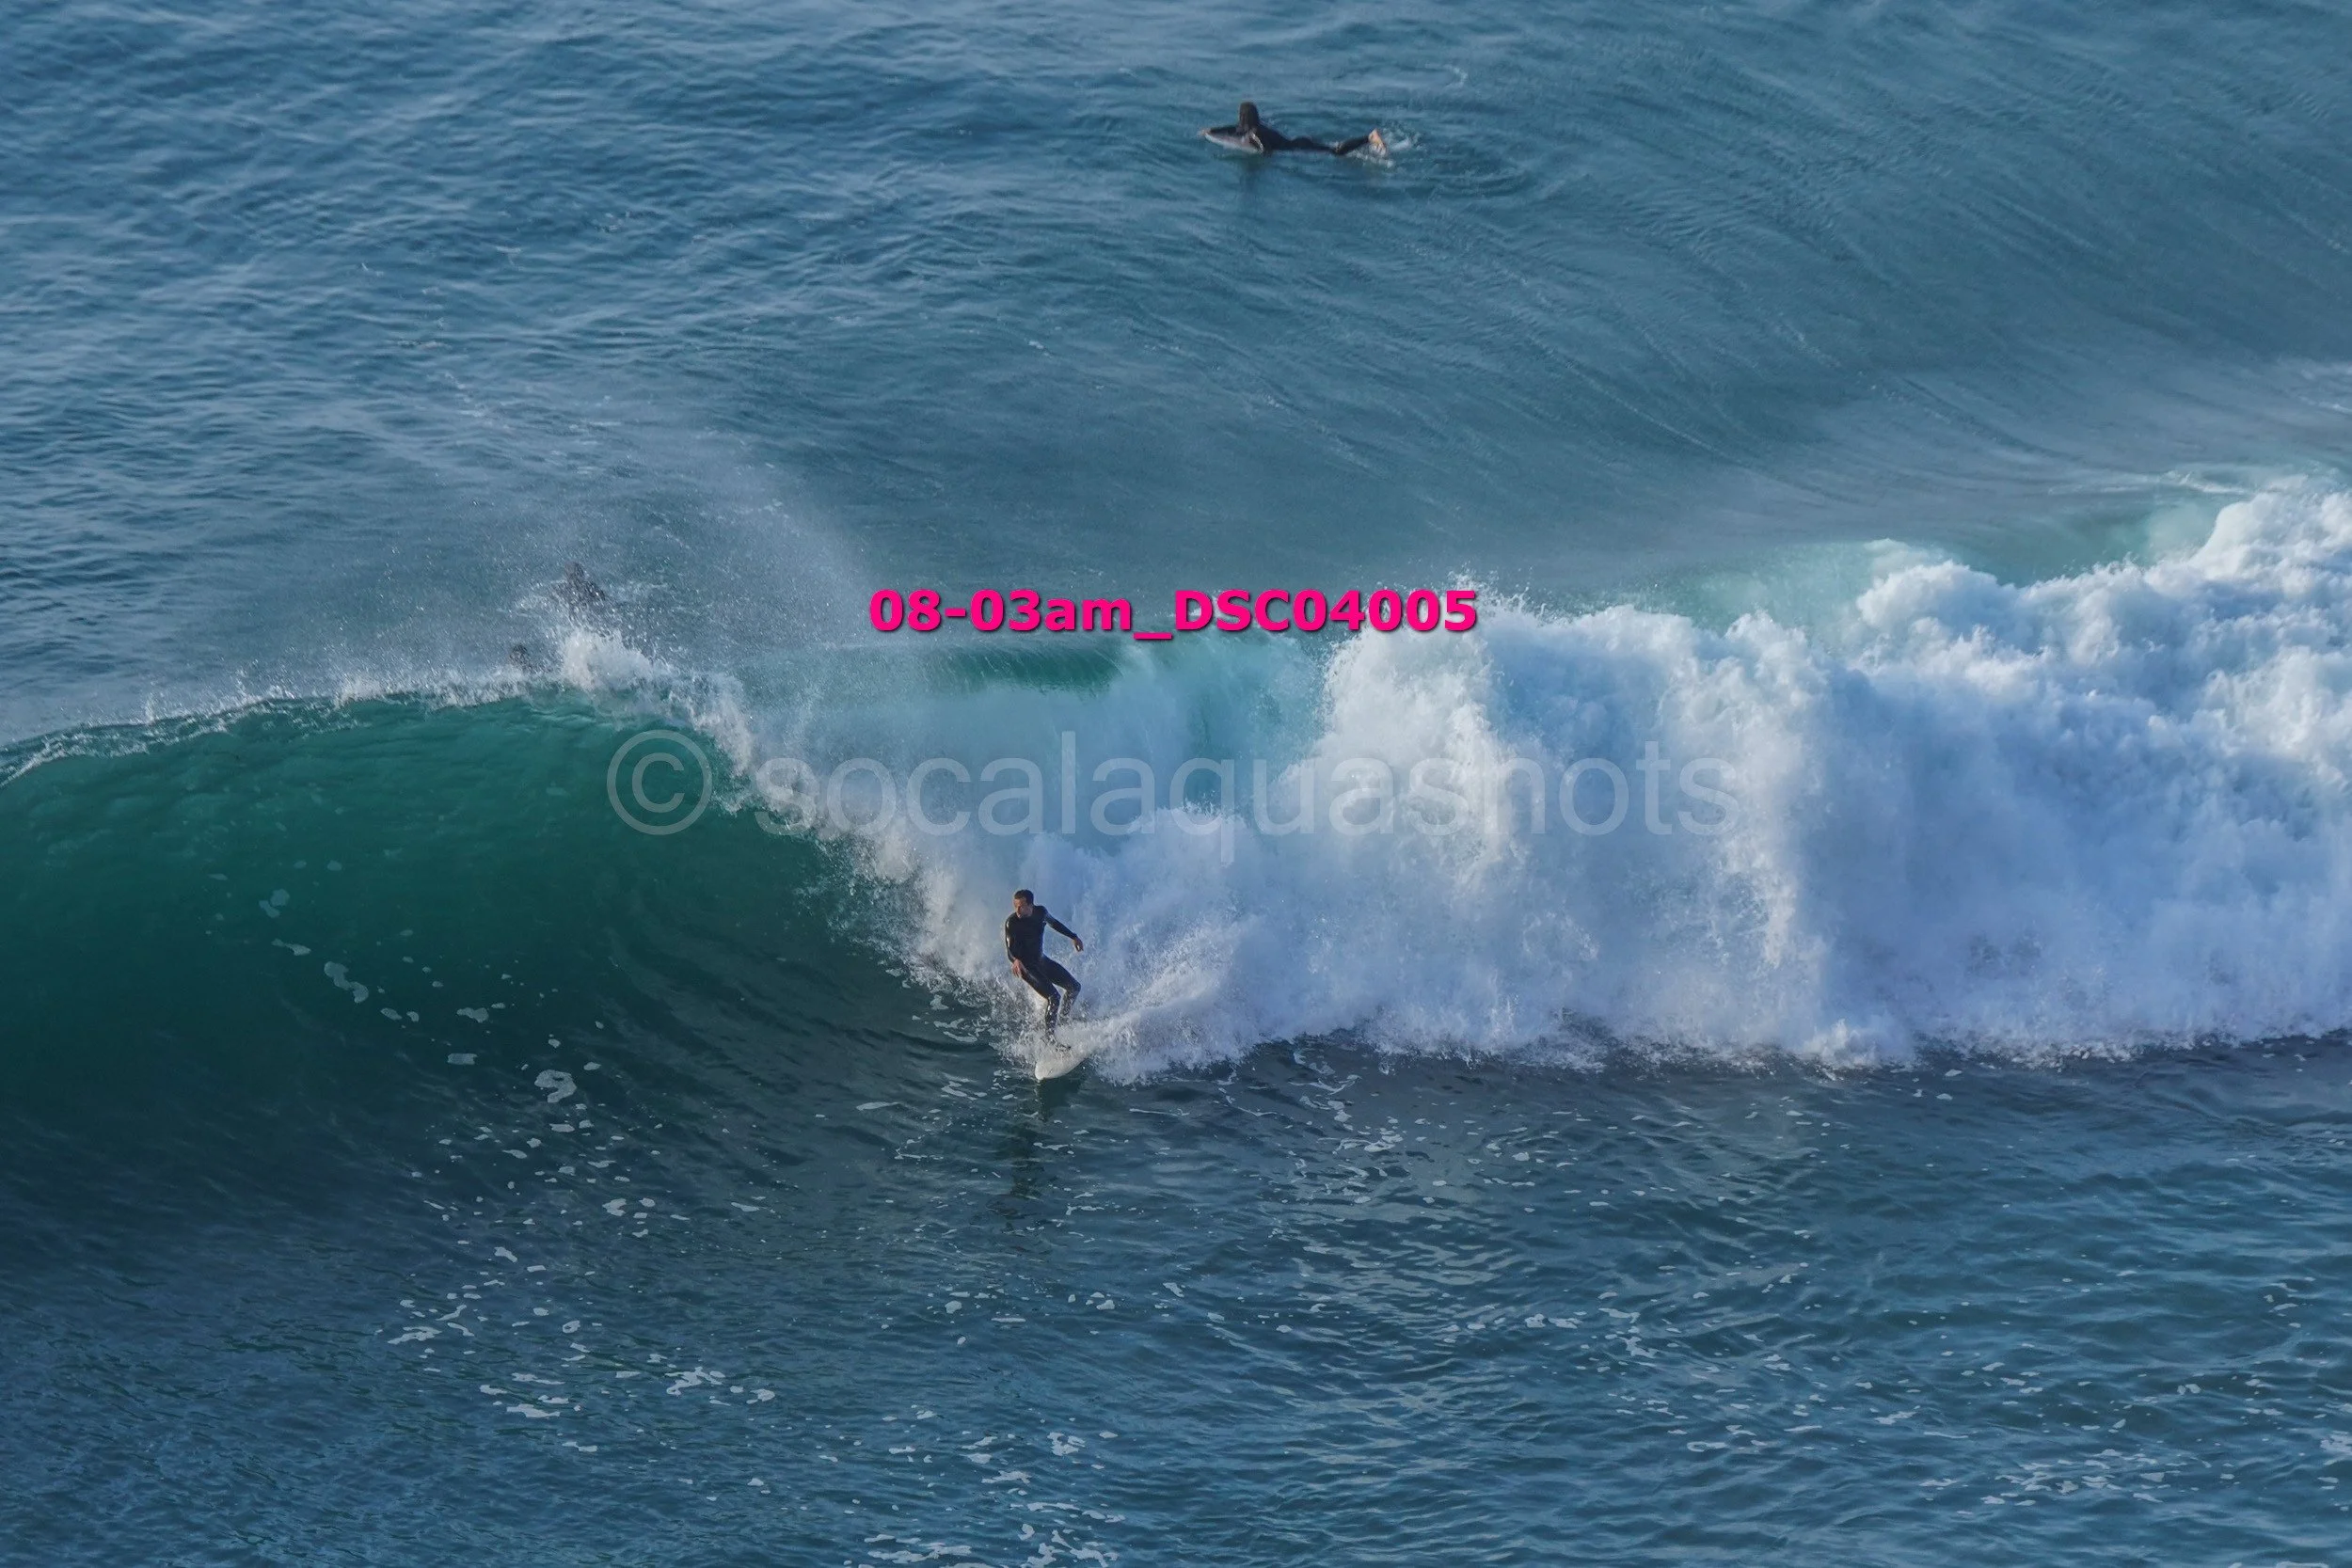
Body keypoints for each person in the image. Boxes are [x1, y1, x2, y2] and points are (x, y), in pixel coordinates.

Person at [1004, 889, 1084, 1028]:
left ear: (1030, 905)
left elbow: (1055, 924)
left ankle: (1063, 1021)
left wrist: (1073, 936)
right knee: (1054, 998)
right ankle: (1049, 1040)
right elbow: (1009, 951)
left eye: (1021, 906)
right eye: (1015, 906)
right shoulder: (1012, 923)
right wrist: (1015, 960)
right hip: (1026, 967)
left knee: (1074, 987)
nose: (1017, 910)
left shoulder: (1041, 913)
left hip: (1041, 961)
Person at [1204, 101, 1386, 158]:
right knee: (1332, 148)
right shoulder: (1255, 128)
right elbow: (1234, 129)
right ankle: (1368, 140)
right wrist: (1213, 130)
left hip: (1298, 147)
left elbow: (1264, 150)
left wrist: (1263, 155)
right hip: (1298, 142)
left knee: (1336, 152)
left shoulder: (1255, 133)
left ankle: (1369, 138)